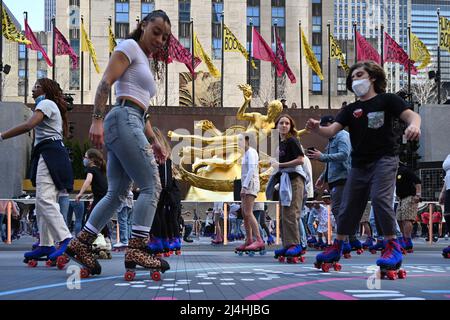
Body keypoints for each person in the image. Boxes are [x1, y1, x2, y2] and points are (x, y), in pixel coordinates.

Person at [65, 10, 171, 277]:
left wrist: (154, 140)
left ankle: (81, 243)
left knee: (117, 194)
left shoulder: (143, 60)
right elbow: (106, 83)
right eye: (156, 32)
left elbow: (141, 108)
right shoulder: (129, 47)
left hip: (130, 119)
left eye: (165, 37)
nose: (160, 39)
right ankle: (137, 247)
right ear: (143, 25)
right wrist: (96, 119)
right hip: (123, 118)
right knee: (151, 185)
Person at [307, 61, 421, 272]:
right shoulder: (350, 109)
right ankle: (337, 245)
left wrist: (414, 125)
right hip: (359, 164)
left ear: (373, 78)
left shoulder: (387, 100)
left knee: (379, 198)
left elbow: (412, 115)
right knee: (349, 206)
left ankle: (392, 245)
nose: (355, 80)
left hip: (385, 159)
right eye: (353, 77)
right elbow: (331, 130)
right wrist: (316, 129)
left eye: (360, 74)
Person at [0, 78, 73, 264]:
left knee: (45, 200)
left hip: (50, 153)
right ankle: (46, 244)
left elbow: (28, 125)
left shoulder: (47, 103)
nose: (33, 89)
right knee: (42, 202)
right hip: (48, 153)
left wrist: (1, 136)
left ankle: (66, 239)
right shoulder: (47, 105)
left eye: (37, 86)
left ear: (45, 90)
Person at [307, 115, 360, 253]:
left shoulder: (342, 136)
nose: (323, 132)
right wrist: (323, 177)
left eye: (324, 128)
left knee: (338, 209)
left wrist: (322, 157)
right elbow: (331, 162)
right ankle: (351, 238)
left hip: (343, 178)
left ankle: (346, 241)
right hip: (335, 179)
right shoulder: (332, 140)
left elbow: (344, 154)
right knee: (342, 210)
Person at [266, 114, 308, 261]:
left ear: (291, 126)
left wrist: (280, 165)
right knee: (284, 214)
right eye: (281, 123)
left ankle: (295, 244)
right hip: (285, 180)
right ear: (276, 126)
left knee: (292, 213)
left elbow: (300, 160)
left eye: (287, 123)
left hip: (295, 179)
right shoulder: (281, 144)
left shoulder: (292, 140)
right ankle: (287, 243)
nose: (284, 125)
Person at [235, 134, 264, 253]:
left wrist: (245, 186)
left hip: (250, 184)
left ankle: (259, 239)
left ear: (247, 140)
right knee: (244, 213)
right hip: (245, 185)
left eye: (241, 140)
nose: (239, 142)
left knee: (248, 212)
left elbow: (252, 170)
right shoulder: (245, 154)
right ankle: (249, 239)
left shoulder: (251, 152)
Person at [395, 162, 421, 253]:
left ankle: (408, 241)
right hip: (401, 199)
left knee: (407, 219)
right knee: (399, 219)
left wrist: (418, 195)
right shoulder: (395, 172)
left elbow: (417, 181)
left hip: (410, 197)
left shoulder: (404, 170)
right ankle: (403, 240)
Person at [113, 184, 134, 250]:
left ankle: (124, 240)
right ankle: (128, 240)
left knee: (122, 221)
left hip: (123, 197)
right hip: (130, 196)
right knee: (128, 222)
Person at [439, 153, 450, 258]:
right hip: (448, 188)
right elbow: (447, 174)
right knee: (447, 215)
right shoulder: (448, 156)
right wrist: (443, 192)